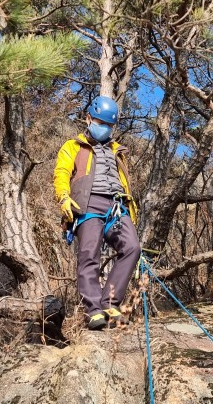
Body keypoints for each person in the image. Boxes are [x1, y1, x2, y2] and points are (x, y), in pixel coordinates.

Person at [53, 95, 141, 330]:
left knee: (132, 247)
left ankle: (110, 303)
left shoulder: (117, 151)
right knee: (89, 254)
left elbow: (124, 182)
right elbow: (61, 173)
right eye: (100, 123)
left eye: (109, 125)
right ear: (88, 118)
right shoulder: (73, 146)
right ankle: (93, 310)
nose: (104, 128)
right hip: (87, 204)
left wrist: (130, 210)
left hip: (116, 205)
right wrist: (64, 198)